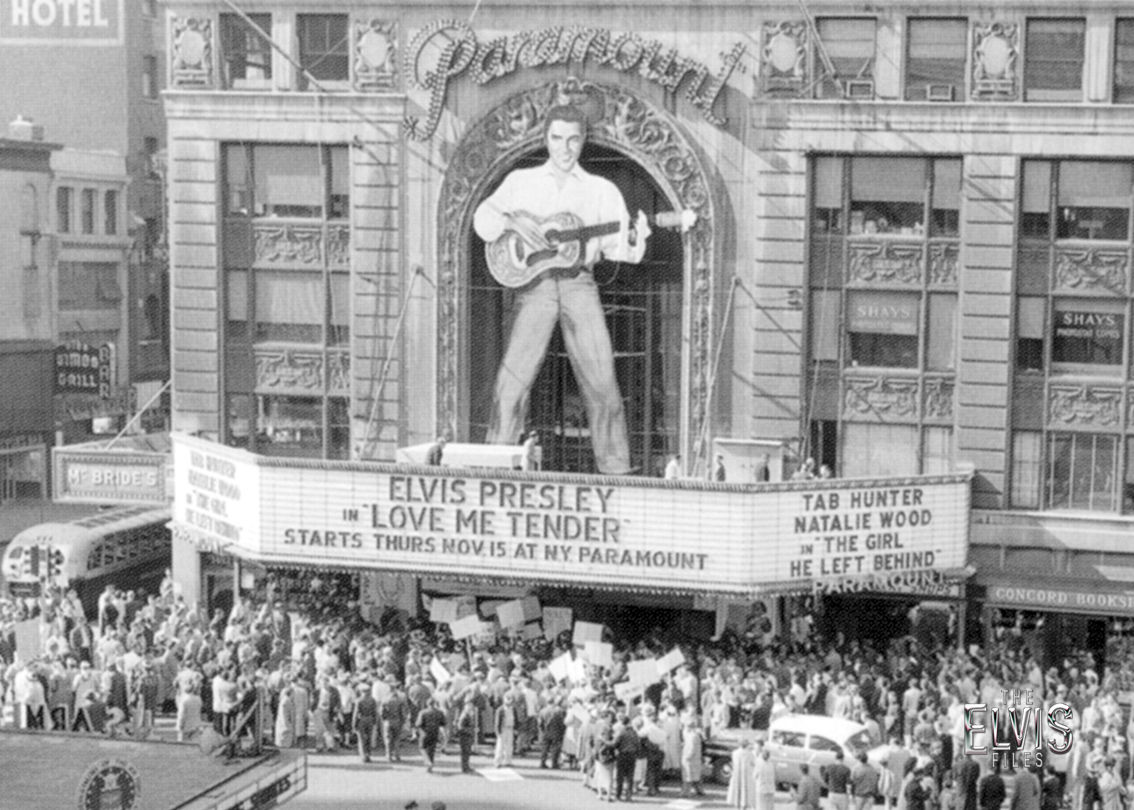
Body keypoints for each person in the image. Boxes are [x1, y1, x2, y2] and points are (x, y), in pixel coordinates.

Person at [472, 103, 650, 475]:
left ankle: (617, 472)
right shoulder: (521, 181)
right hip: (534, 288)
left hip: (579, 285)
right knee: (511, 381)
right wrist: (512, 220)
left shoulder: (602, 190)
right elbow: (482, 220)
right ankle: (494, 468)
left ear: (583, 140)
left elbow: (619, 249)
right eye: (557, 139)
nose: (565, 148)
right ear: (545, 139)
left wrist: (638, 236)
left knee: (602, 383)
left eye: (573, 140)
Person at [614, 715, 641, 802]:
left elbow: (615, 744)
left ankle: (618, 795)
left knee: (620, 777)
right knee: (630, 777)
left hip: (622, 755)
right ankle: (628, 796)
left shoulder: (621, 732)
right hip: (632, 756)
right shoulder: (634, 732)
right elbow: (638, 745)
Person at [416, 698, 446, 773]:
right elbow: (443, 723)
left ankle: (427, 761)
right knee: (431, 750)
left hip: (424, 732)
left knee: (422, 748)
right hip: (435, 732)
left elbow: (418, 724)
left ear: (427, 704)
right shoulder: (440, 712)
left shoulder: (423, 712)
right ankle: (429, 768)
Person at [353, 684, 379, 763]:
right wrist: (375, 721)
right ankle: (368, 755)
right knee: (369, 738)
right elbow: (375, 712)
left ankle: (363, 756)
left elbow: (356, 713)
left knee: (361, 739)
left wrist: (354, 724)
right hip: (370, 719)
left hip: (362, 720)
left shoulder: (359, 700)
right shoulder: (372, 700)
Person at [727, 739, 755, 809]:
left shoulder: (735, 753)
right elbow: (754, 763)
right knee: (745, 793)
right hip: (746, 776)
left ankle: (737, 807)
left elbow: (733, 763)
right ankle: (743, 807)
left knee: (737, 791)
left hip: (736, 775)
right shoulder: (750, 754)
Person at [494, 693, 516, 768]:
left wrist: (516, 728)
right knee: (500, 746)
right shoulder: (500, 710)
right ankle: (498, 761)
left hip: (510, 728)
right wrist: (498, 732)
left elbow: (515, 719)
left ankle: (508, 761)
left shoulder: (513, 709)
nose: (509, 703)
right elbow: (497, 722)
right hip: (503, 729)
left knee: (509, 746)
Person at [456, 696, 477, 774]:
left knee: (467, 753)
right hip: (465, 737)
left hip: (468, 736)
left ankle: (467, 766)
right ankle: (465, 768)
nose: (472, 708)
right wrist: (469, 731)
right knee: (465, 753)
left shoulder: (468, 715)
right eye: (470, 706)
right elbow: (460, 727)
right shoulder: (464, 715)